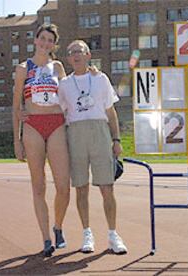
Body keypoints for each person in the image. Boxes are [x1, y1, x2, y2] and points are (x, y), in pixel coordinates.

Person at [58, 40, 128, 254]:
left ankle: (113, 234)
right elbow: (60, 115)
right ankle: (87, 233)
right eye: (71, 53)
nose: (76, 55)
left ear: (89, 55)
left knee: (107, 187)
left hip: (100, 132)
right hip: (76, 134)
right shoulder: (64, 84)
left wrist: (116, 139)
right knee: (81, 188)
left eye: (80, 51)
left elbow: (110, 112)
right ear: (68, 59)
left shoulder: (101, 78)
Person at [12, 23, 70, 257]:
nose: (46, 43)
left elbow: (70, 93)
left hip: (56, 124)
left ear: (54, 45)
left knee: (63, 186)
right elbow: (16, 106)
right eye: (42, 38)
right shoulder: (23, 68)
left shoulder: (58, 67)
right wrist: (16, 140)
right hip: (33, 126)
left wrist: (91, 72)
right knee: (39, 185)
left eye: (50, 40)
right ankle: (46, 238)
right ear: (35, 40)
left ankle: (58, 226)